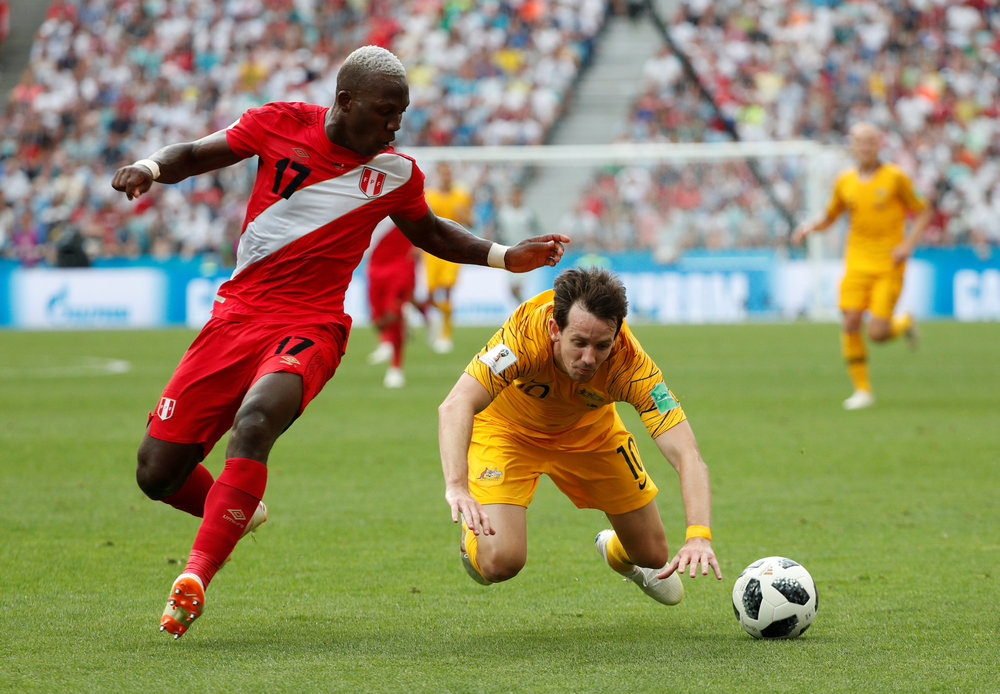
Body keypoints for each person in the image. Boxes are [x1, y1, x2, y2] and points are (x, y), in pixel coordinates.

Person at [110, 45, 570, 639]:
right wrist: (149, 167)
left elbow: (429, 229)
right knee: (156, 473)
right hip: (236, 318)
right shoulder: (278, 123)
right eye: (384, 112)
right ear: (345, 101)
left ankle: (195, 576)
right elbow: (195, 155)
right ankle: (238, 506)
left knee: (256, 422)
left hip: (313, 324)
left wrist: (505, 256)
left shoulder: (396, 172)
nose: (394, 125)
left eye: (401, 114)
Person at [437, 267, 722, 606]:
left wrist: (699, 535)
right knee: (501, 562)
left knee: (652, 555)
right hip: (507, 433)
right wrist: (457, 485)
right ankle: (473, 544)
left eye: (602, 345)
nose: (589, 358)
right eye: (579, 343)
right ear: (555, 330)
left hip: (590, 434)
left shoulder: (631, 366)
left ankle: (617, 552)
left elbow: (687, 454)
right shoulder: (524, 337)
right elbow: (456, 404)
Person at [792, 121, 932, 410]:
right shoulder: (845, 181)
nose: (864, 147)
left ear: (879, 144)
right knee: (851, 321)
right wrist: (808, 228)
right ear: (852, 146)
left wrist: (907, 244)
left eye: (869, 141)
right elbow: (831, 216)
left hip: (888, 264)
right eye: (859, 141)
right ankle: (862, 390)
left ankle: (905, 322)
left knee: (878, 333)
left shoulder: (895, 178)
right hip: (856, 262)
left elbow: (923, 211)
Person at [420, 161, 472, 353]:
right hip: (431, 252)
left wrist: (463, 216)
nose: (446, 177)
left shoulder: (462, 196)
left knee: (448, 289)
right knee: (431, 294)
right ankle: (435, 321)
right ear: (437, 175)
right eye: (443, 173)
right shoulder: (429, 196)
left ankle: (446, 335)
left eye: (448, 173)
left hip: (453, 250)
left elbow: (471, 221)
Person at [365, 217, 418, 388]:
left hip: (399, 266)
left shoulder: (404, 198)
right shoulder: (367, 199)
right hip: (374, 266)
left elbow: (425, 221)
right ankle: (388, 339)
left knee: (392, 315)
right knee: (379, 322)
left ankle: (395, 368)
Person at [494, 185, 541, 304]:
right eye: (514, 195)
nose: (516, 198)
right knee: (512, 289)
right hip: (509, 253)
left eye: (518, 195)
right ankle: (523, 309)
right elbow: (498, 231)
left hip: (525, 253)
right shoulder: (504, 213)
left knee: (519, 286)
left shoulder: (528, 213)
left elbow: (537, 231)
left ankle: (525, 311)